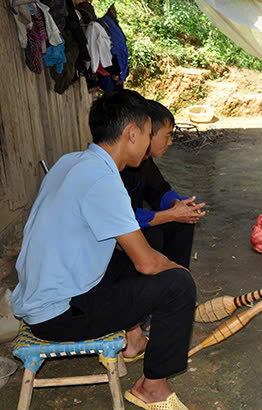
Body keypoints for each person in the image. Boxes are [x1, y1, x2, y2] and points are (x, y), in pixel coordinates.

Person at [10, 89, 196, 409]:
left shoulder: (71, 162)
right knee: (178, 286)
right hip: (58, 314)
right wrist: (179, 273)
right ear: (131, 133)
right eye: (149, 134)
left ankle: (134, 340)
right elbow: (148, 265)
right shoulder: (103, 180)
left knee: (130, 251)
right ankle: (152, 388)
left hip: (39, 296)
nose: (150, 143)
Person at [117, 99, 206, 271]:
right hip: (121, 235)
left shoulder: (145, 162)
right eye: (167, 135)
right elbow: (122, 218)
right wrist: (171, 215)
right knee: (154, 237)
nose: (170, 142)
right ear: (147, 133)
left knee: (183, 222)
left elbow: (159, 190)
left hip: (133, 223)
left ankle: (178, 279)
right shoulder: (119, 167)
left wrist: (179, 205)